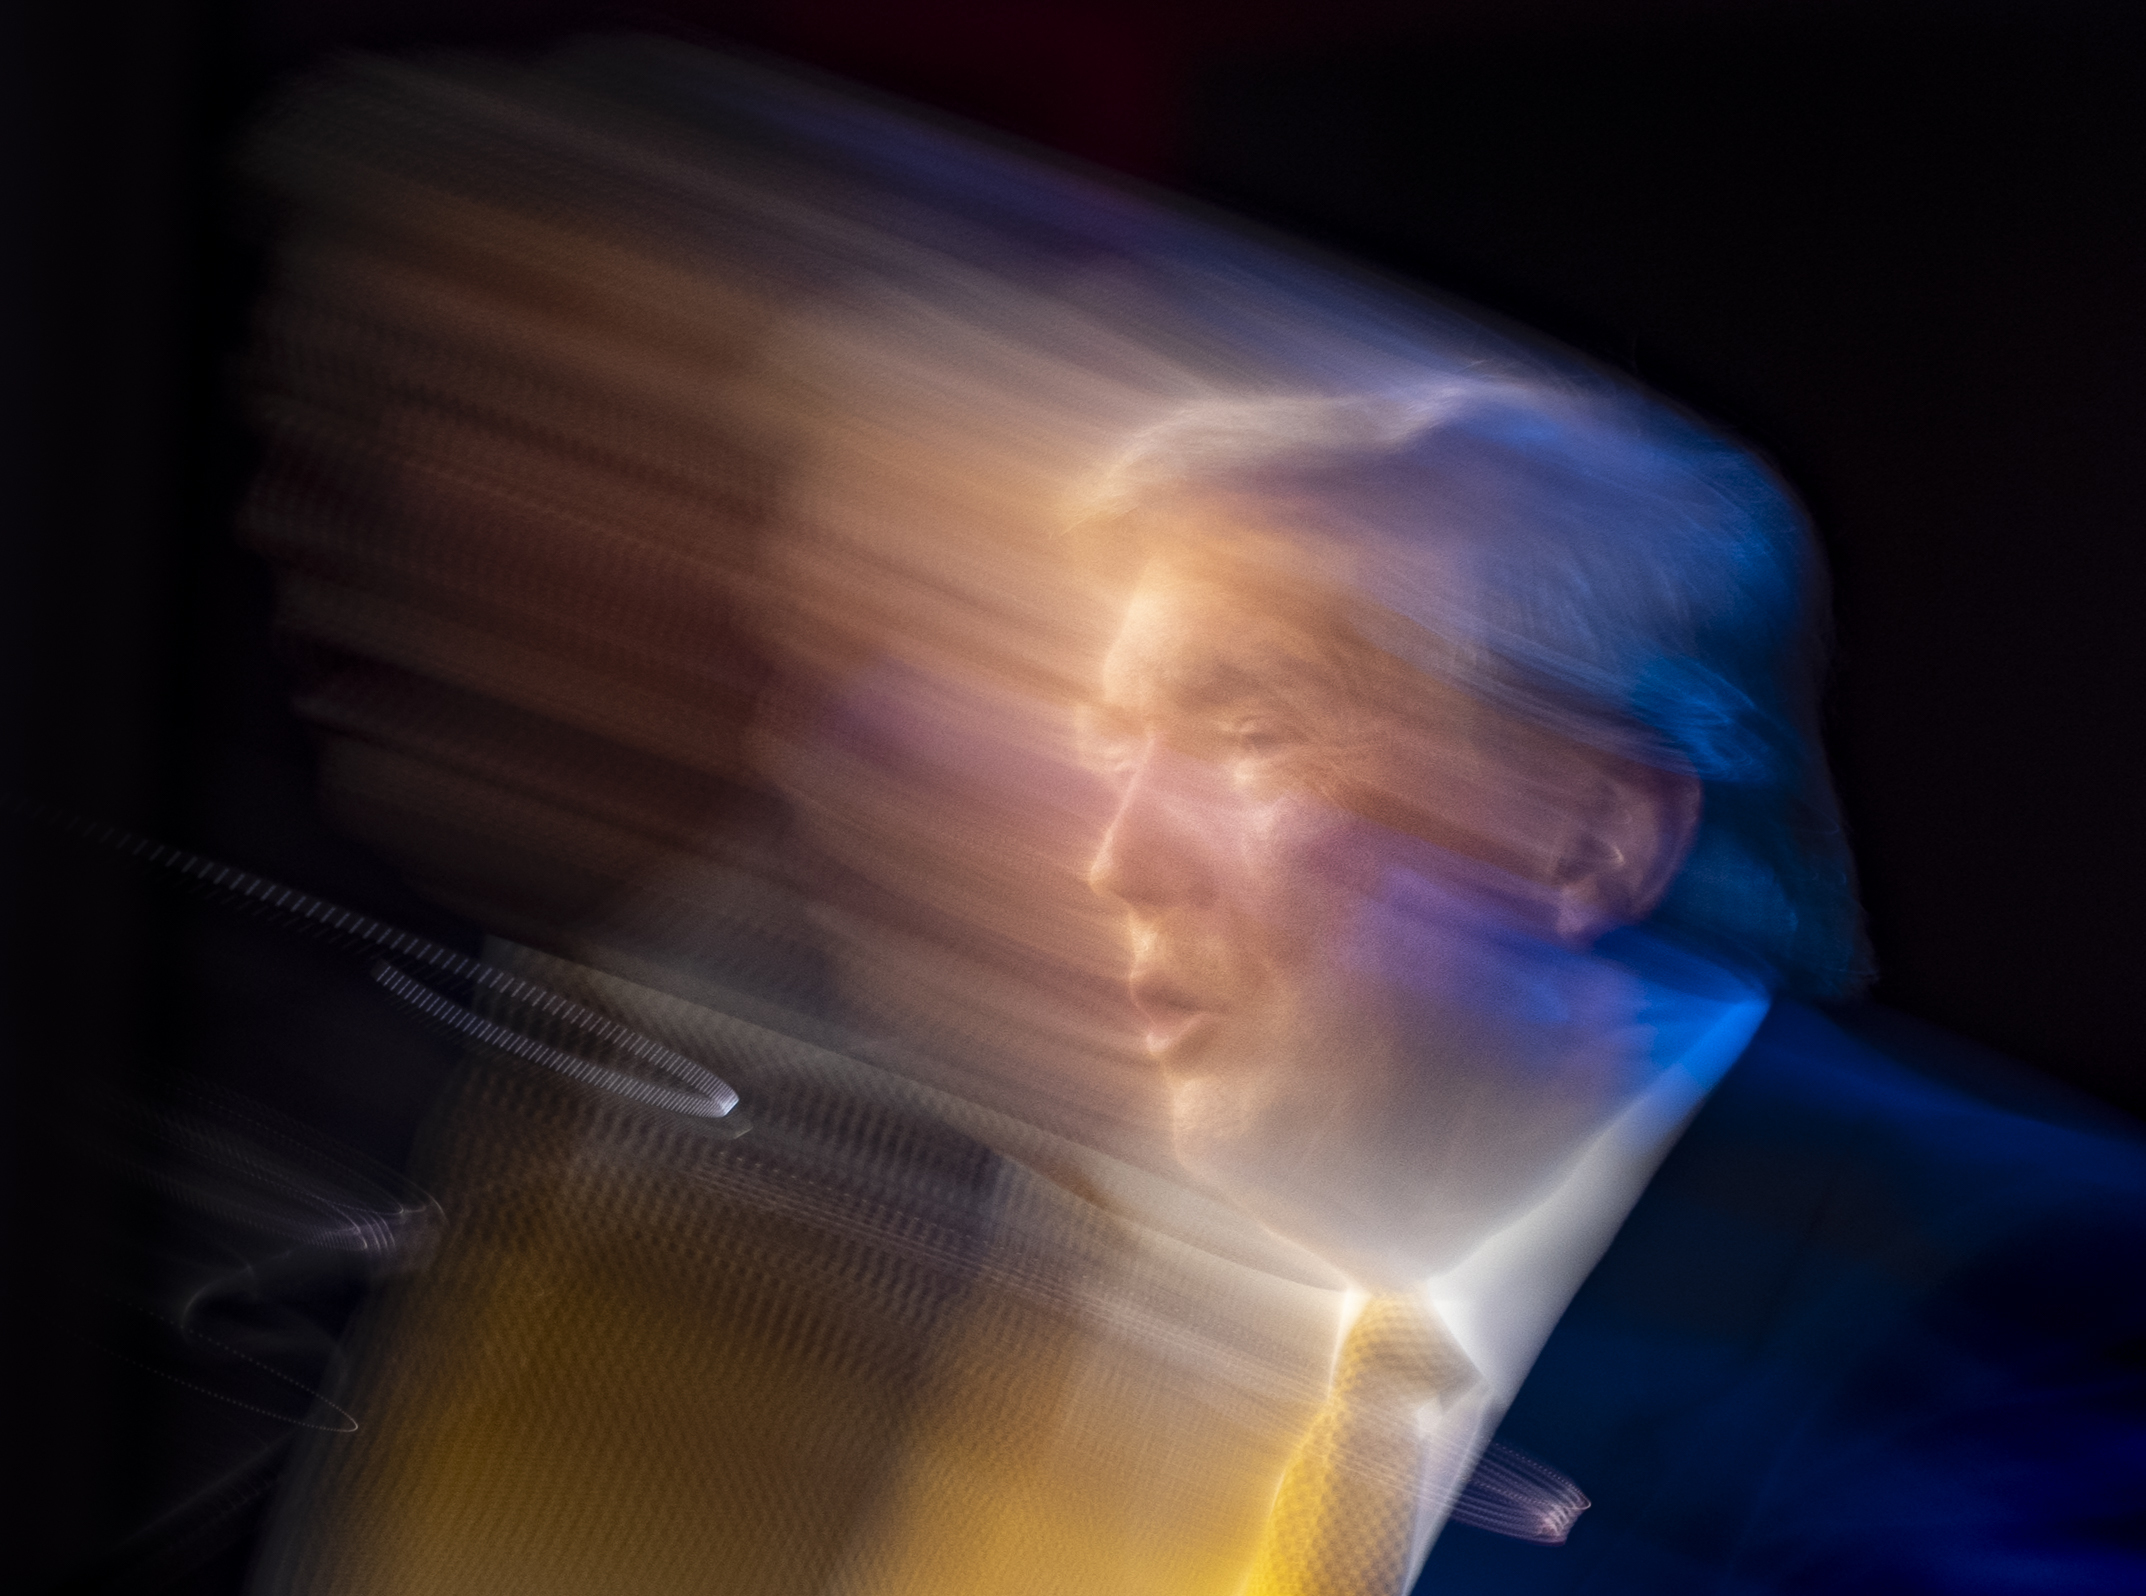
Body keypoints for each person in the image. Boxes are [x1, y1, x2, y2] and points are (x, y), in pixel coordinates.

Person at [1074, 379, 2146, 1593]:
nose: (1119, 861)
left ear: (1591, 840)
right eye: (1114, 749)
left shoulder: (2004, 1309)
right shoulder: (1349, 1352)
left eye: (1252, 733)